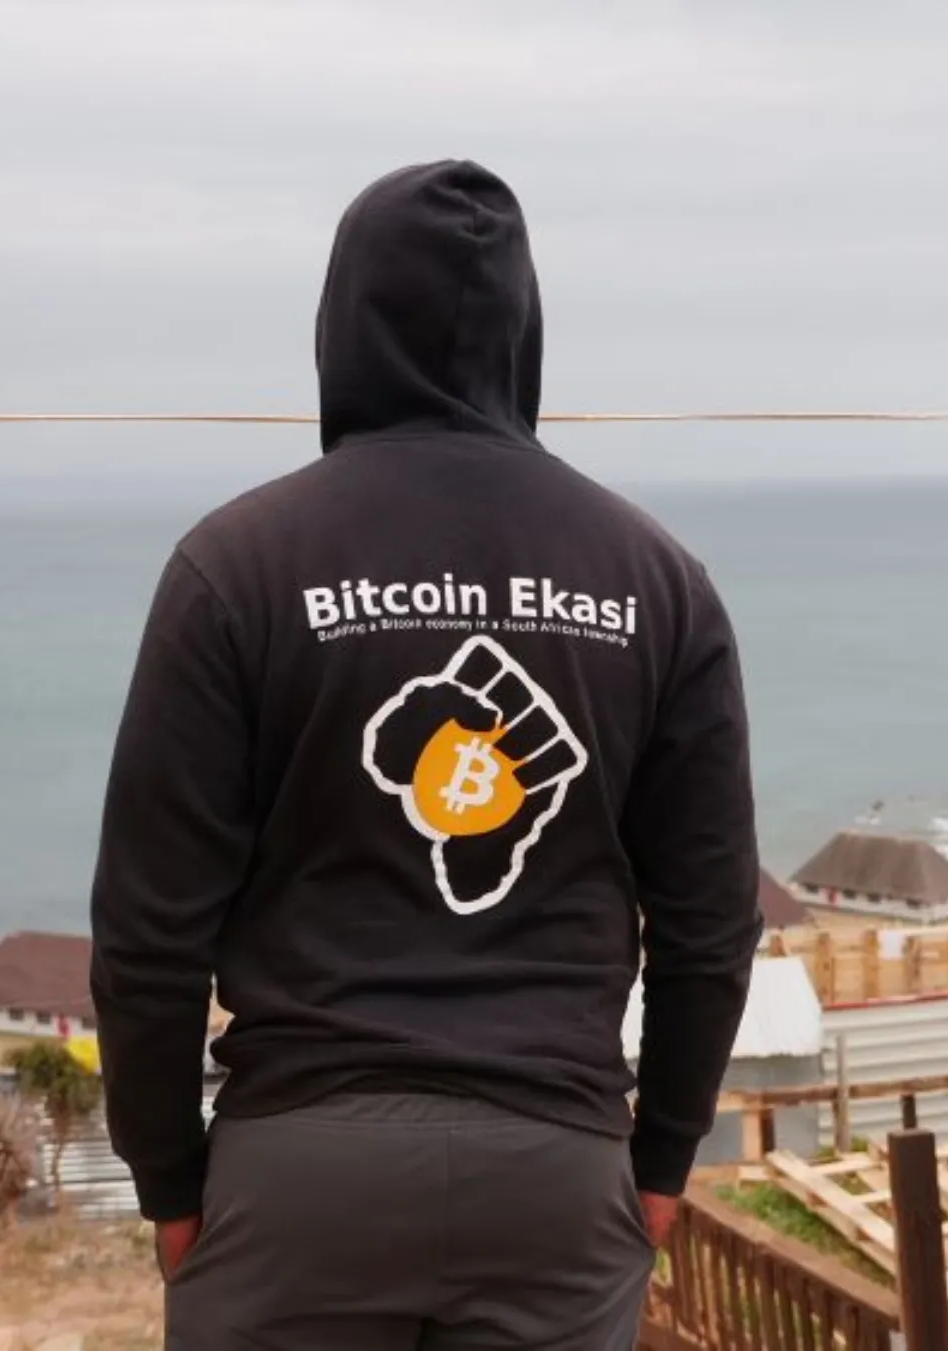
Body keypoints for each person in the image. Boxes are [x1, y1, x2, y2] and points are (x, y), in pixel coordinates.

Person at [88, 160, 762, 1350]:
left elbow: (150, 928)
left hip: (299, 1171)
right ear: (525, 334)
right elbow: (711, 919)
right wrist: (662, 1157)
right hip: (556, 1169)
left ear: (339, 324)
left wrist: (169, 1182)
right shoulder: (659, 580)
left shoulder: (234, 566)